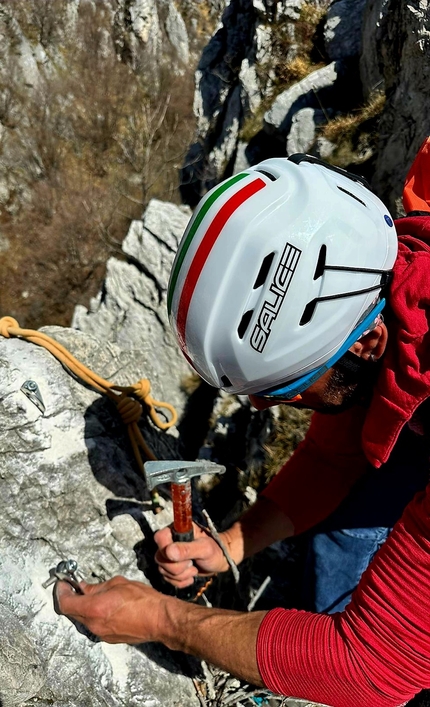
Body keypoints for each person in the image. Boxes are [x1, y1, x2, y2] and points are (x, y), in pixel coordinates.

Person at [57, 139, 430, 707]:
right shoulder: (385, 273)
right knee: (344, 541)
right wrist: (233, 542)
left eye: (284, 389)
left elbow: (370, 667)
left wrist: (163, 619)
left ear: (370, 341)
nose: (264, 410)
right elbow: (337, 453)